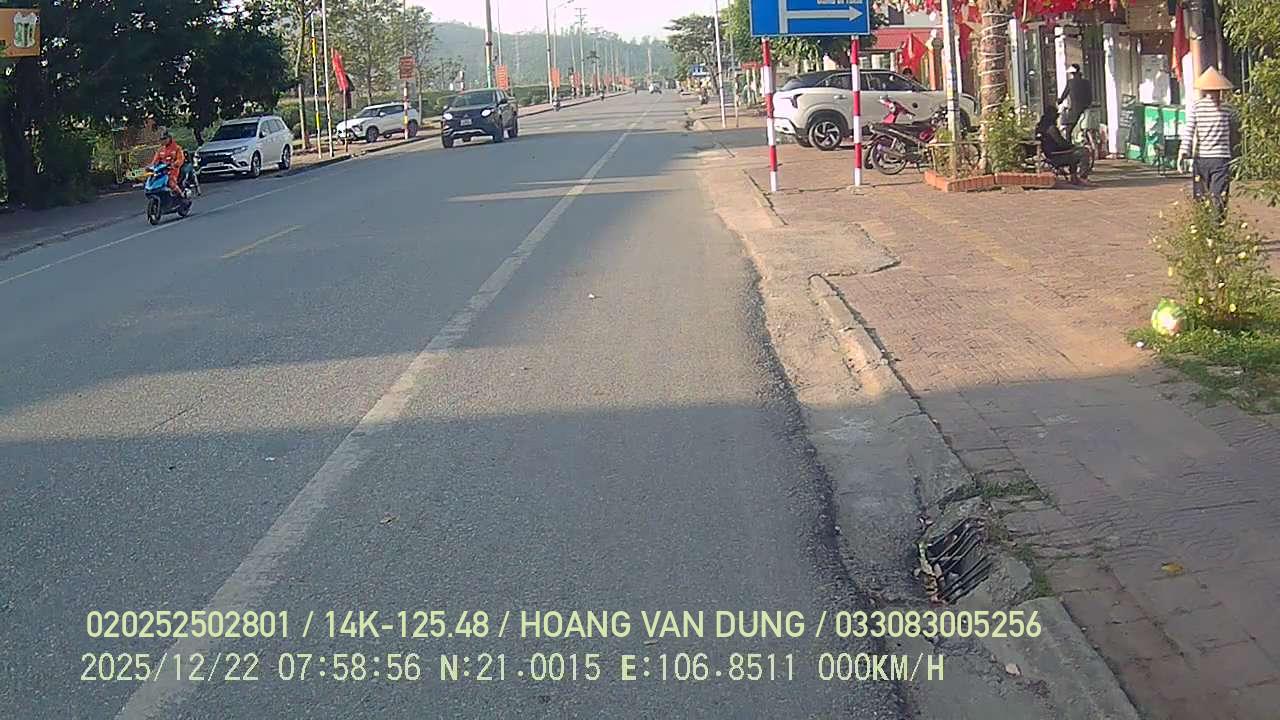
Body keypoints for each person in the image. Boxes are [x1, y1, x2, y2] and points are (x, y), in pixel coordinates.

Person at [1179, 66, 1239, 214]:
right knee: (1203, 198)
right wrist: (1183, 151)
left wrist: (1184, 151)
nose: (1214, 94)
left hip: (1220, 158)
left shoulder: (1228, 108)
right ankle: (1205, 225)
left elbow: (1236, 130)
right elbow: (1189, 130)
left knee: (1218, 197)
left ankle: (1215, 226)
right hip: (1203, 158)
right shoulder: (1199, 107)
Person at [1036, 107, 1086, 184]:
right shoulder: (1051, 129)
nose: (1057, 117)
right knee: (1083, 152)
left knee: (1074, 151)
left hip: (1049, 155)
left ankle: (1074, 176)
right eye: (1056, 115)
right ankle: (1082, 176)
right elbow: (1061, 143)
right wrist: (1071, 146)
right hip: (1057, 156)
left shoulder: (1041, 128)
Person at [1057, 64, 1093, 138]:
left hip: (1075, 110)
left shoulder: (1070, 82)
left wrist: (1059, 101)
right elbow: (1090, 96)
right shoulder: (1086, 82)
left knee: (1069, 130)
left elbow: (1064, 94)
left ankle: (1068, 143)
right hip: (1086, 109)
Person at [150, 128, 186, 198]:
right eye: (162, 139)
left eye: (165, 139)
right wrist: (151, 167)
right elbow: (155, 161)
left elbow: (180, 159)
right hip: (162, 170)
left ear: (169, 138)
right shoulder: (160, 150)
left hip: (173, 170)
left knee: (171, 183)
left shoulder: (177, 148)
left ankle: (181, 195)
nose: (163, 141)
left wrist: (174, 164)